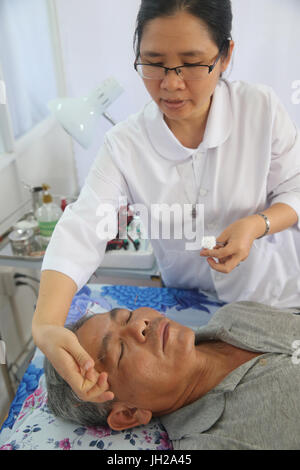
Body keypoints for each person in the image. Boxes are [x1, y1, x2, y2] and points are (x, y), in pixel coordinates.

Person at [33, 0, 300, 406]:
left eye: (192, 64)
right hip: (190, 311)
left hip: (276, 299)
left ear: (226, 55)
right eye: (153, 63)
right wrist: (46, 322)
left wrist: (257, 224)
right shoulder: (125, 145)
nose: (170, 84)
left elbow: (295, 190)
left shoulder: (259, 109)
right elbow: (85, 225)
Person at [44, 301, 300, 450]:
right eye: (120, 350)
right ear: (128, 414)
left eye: (127, 316)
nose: (138, 325)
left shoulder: (235, 314)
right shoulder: (216, 440)